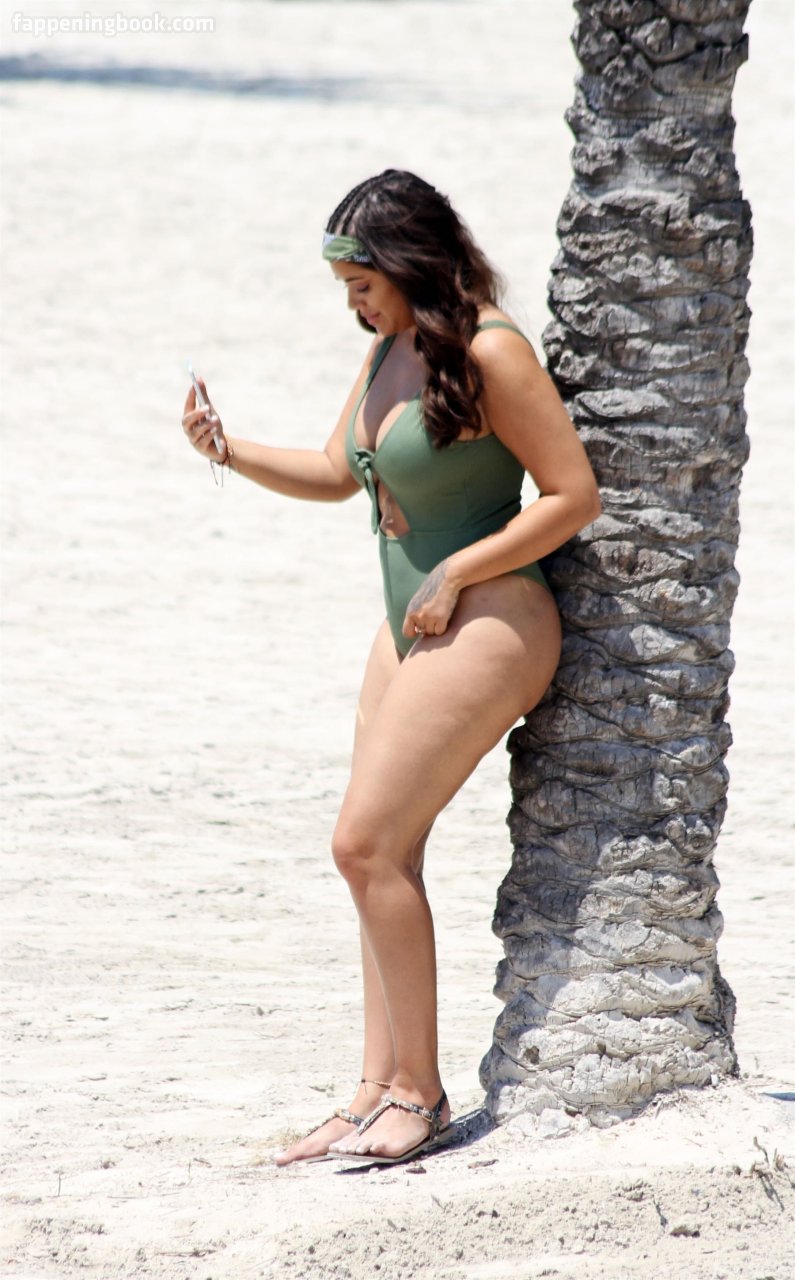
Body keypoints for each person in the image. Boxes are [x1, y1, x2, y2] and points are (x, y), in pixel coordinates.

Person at [181, 169, 601, 1166]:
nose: (354, 305)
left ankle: (421, 1091)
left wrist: (458, 569)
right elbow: (339, 474)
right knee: (381, 856)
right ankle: (375, 1092)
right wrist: (227, 449)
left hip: (492, 615)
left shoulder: (492, 350)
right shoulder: (390, 348)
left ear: (412, 265)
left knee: (362, 842)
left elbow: (571, 493)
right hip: (408, 625)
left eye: (363, 284)